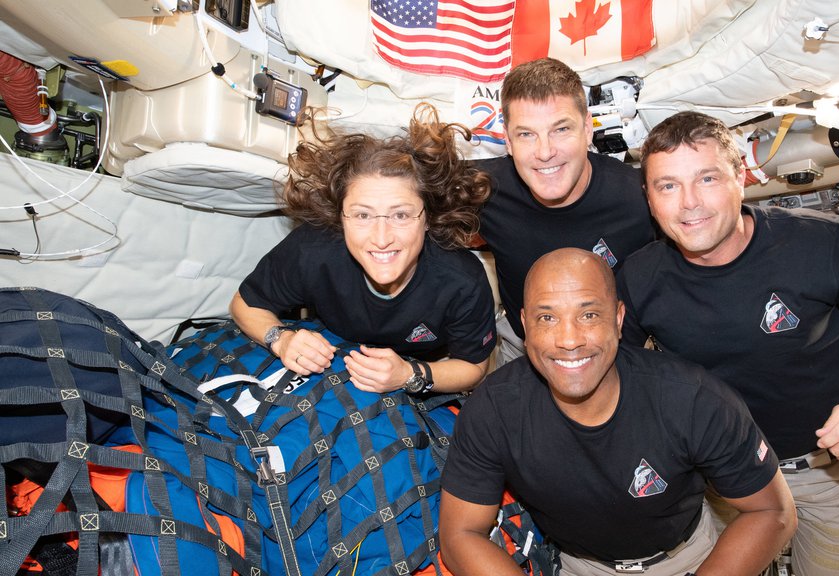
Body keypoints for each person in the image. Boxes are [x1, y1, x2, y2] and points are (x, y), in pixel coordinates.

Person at [616, 111, 839, 575]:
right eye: (667, 186)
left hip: (828, 476)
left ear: (740, 177)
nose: (689, 203)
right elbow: (620, 378)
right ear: (649, 198)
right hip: (721, 480)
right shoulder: (637, 278)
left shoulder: (823, 244)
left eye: (707, 178)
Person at [439, 248, 796, 576]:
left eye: (589, 315)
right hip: (574, 565)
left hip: (689, 559)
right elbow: (460, 535)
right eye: (547, 317)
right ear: (525, 326)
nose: (569, 340)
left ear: (619, 318)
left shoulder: (691, 398)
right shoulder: (494, 409)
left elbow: (772, 511)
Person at [230, 103, 497, 394]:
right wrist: (281, 339)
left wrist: (409, 375)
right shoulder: (312, 249)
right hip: (327, 365)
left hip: (419, 370)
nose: (381, 238)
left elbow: (473, 367)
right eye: (362, 215)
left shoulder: (462, 281)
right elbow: (245, 303)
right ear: (340, 218)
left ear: (428, 218)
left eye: (400, 215)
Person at [476, 57, 655, 365]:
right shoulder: (482, 189)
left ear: (587, 129)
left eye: (560, 129)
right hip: (523, 349)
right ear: (508, 141)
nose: (545, 152)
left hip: (619, 354)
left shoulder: (638, 197)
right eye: (526, 134)